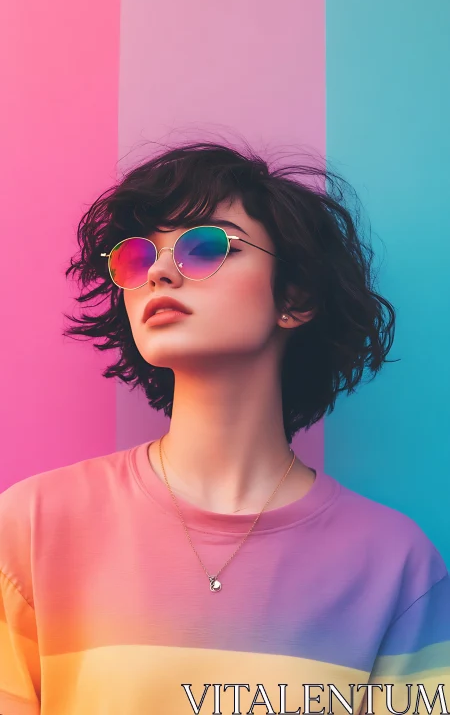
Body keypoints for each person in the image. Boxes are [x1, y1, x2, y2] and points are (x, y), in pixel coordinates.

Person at [0, 140, 448, 715]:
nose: (159, 272)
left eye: (205, 247)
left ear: (295, 295)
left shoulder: (396, 566)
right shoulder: (33, 529)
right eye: (136, 259)